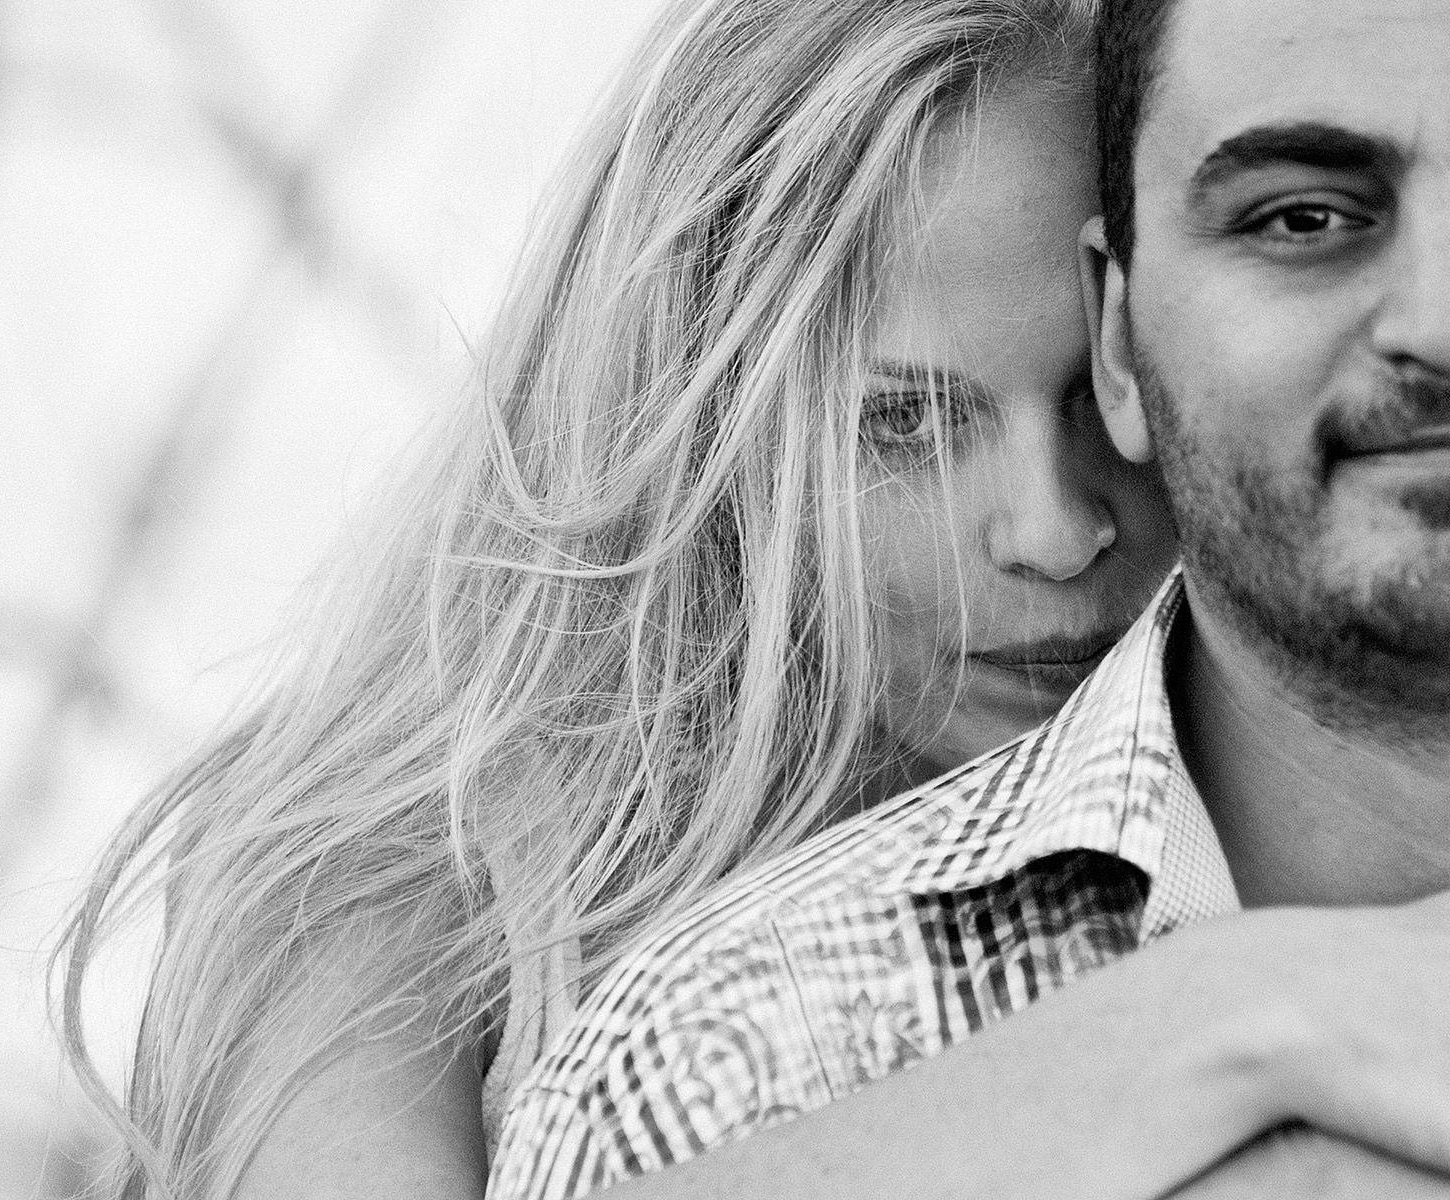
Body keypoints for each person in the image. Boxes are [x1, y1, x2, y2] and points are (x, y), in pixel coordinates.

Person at [489, 0, 1450, 1196]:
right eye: (904, 422)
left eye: (1094, 400)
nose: (1054, 534)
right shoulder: (670, 1036)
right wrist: (1243, 1012)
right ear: (709, 464)